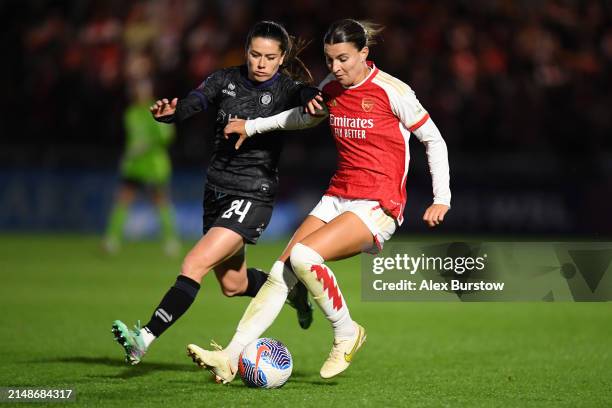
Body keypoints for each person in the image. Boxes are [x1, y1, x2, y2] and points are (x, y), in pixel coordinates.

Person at [186, 19, 451, 382]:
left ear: (364, 53)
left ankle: (347, 331)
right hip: (337, 195)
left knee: (305, 256)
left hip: (378, 204)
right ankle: (230, 357)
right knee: (281, 272)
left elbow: (433, 140)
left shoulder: (392, 91)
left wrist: (442, 198)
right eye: (329, 60)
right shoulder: (330, 87)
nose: (335, 68)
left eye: (343, 59)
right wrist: (252, 126)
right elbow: (302, 118)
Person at [111, 21, 320, 365]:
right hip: (216, 191)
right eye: (255, 54)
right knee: (234, 285)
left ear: (282, 59)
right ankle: (294, 291)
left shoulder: (286, 88)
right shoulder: (225, 80)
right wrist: (173, 112)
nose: (261, 63)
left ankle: (143, 339)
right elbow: (196, 100)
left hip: (253, 193)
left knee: (195, 262)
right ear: (246, 52)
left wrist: (311, 96)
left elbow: (303, 95)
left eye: (269, 57)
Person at [103, 78, 180, 256]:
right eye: (137, 89)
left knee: (161, 200)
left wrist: (148, 144)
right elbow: (131, 140)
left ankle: (171, 240)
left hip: (154, 164)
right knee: (123, 198)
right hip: (135, 165)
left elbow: (167, 136)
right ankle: (111, 240)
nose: (140, 92)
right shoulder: (130, 113)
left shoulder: (158, 109)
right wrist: (128, 156)